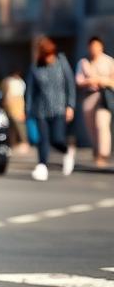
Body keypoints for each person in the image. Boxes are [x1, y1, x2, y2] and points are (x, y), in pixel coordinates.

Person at [25, 36, 76, 181]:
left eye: (50, 54)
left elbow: (70, 85)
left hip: (59, 108)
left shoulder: (62, 63)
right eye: (46, 55)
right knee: (43, 140)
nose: (49, 58)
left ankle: (67, 152)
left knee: (57, 139)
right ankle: (42, 166)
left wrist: (70, 106)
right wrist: (27, 110)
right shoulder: (35, 67)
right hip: (40, 109)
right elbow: (30, 91)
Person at [75, 35, 114, 168]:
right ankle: (96, 149)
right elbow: (78, 81)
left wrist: (101, 80)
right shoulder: (83, 62)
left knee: (101, 124)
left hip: (105, 97)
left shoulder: (109, 61)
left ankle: (103, 153)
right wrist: (90, 81)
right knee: (91, 127)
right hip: (89, 96)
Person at [0, 69, 28, 151]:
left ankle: (23, 141)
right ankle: (12, 142)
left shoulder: (18, 82)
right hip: (11, 104)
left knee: (17, 124)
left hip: (16, 104)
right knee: (11, 125)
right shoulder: (9, 81)